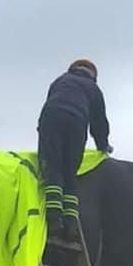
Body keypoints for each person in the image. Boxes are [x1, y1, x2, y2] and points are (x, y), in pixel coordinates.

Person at [37, 59, 112, 240]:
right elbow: (99, 121)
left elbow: (50, 103)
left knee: (54, 167)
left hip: (52, 118)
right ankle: (71, 224)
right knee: (70, 172)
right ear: (93, 75)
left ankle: (54, 220)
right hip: (77, 122)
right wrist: (103, 145)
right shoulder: (93, 89)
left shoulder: (60, 81)